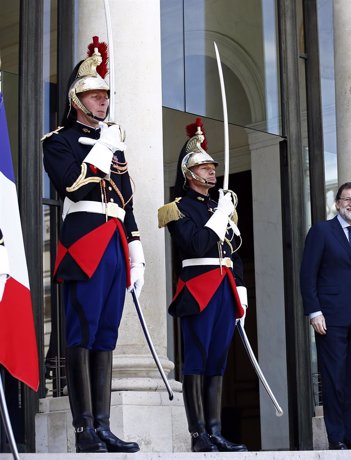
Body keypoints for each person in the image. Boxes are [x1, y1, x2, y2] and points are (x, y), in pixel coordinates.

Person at [41, 37, 141, 454]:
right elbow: (70, 182)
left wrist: (135, 248)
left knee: (106, 334)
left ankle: (104, 424)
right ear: (77, 99)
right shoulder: (57, 140)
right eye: (95, 95)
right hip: (84, 240)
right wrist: (103, 147)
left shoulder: (113, 141)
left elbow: (127, 197)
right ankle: (83, 428)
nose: (102, 102)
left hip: (114, 242)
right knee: (81, 332)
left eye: (105, 96)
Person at [157, 118, 248, 453]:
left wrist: (240, 287)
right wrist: (219, 215)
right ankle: (198, 435)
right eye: (205, 167)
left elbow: (234, 251)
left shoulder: (220, 207)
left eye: (212, 167)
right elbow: (195, 245)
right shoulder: (177, 209)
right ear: (189, 173)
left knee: (218, 362)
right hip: (198, 288)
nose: (212, 172)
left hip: (224, 289)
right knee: (197, 360)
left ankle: (215, 431)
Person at [300, 182, 351, 450]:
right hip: (329, 317)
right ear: (338, 203)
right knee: (333, 377)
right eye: (347, 199)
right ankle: (336, 437)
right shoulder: (322, 231)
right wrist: (314, 311)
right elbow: (307, 274)